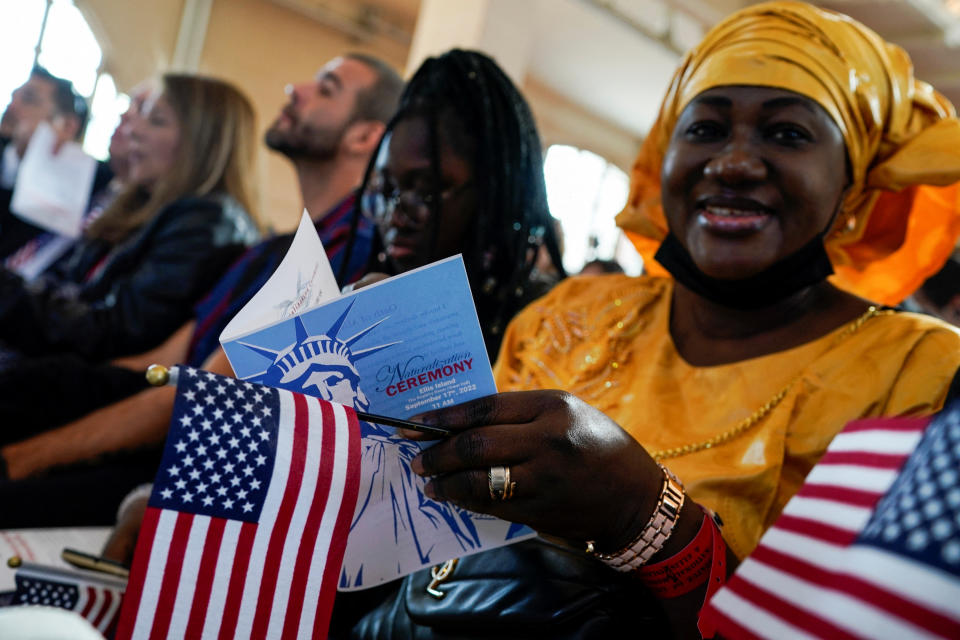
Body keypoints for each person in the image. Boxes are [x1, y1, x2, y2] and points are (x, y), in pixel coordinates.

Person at [343, 3, 960, 637]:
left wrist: (647, 520)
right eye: (706, 129)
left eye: (788, 134)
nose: (734, 163)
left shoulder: (920, 375)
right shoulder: (567, 315)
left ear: (854, 180)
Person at [0, 54, 403, 526]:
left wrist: (30, 455)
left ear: (364, 136)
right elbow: (163, 363)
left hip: (198, 464)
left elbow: (203, 392)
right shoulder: (273, 248)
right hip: (161, 418)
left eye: (326, 88)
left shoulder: (349, 253)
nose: (295, 89)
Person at [0, 73, 261, 362]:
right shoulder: (140, 204)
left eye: (154, 118)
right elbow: (69, 288)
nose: (132, 125)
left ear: (202, 144)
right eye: (134, 109)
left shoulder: (206, 221)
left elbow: (114, 332)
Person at [2, 85, 150, 280]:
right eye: (130, 105)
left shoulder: (93, 177)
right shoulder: (98, 182)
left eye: (144, 110)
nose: (125, 115)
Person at [0, 66, 112, 262]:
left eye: (28, 100)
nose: (11, 106)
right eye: (13, 96)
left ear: (67, 126)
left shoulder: (93, 182)